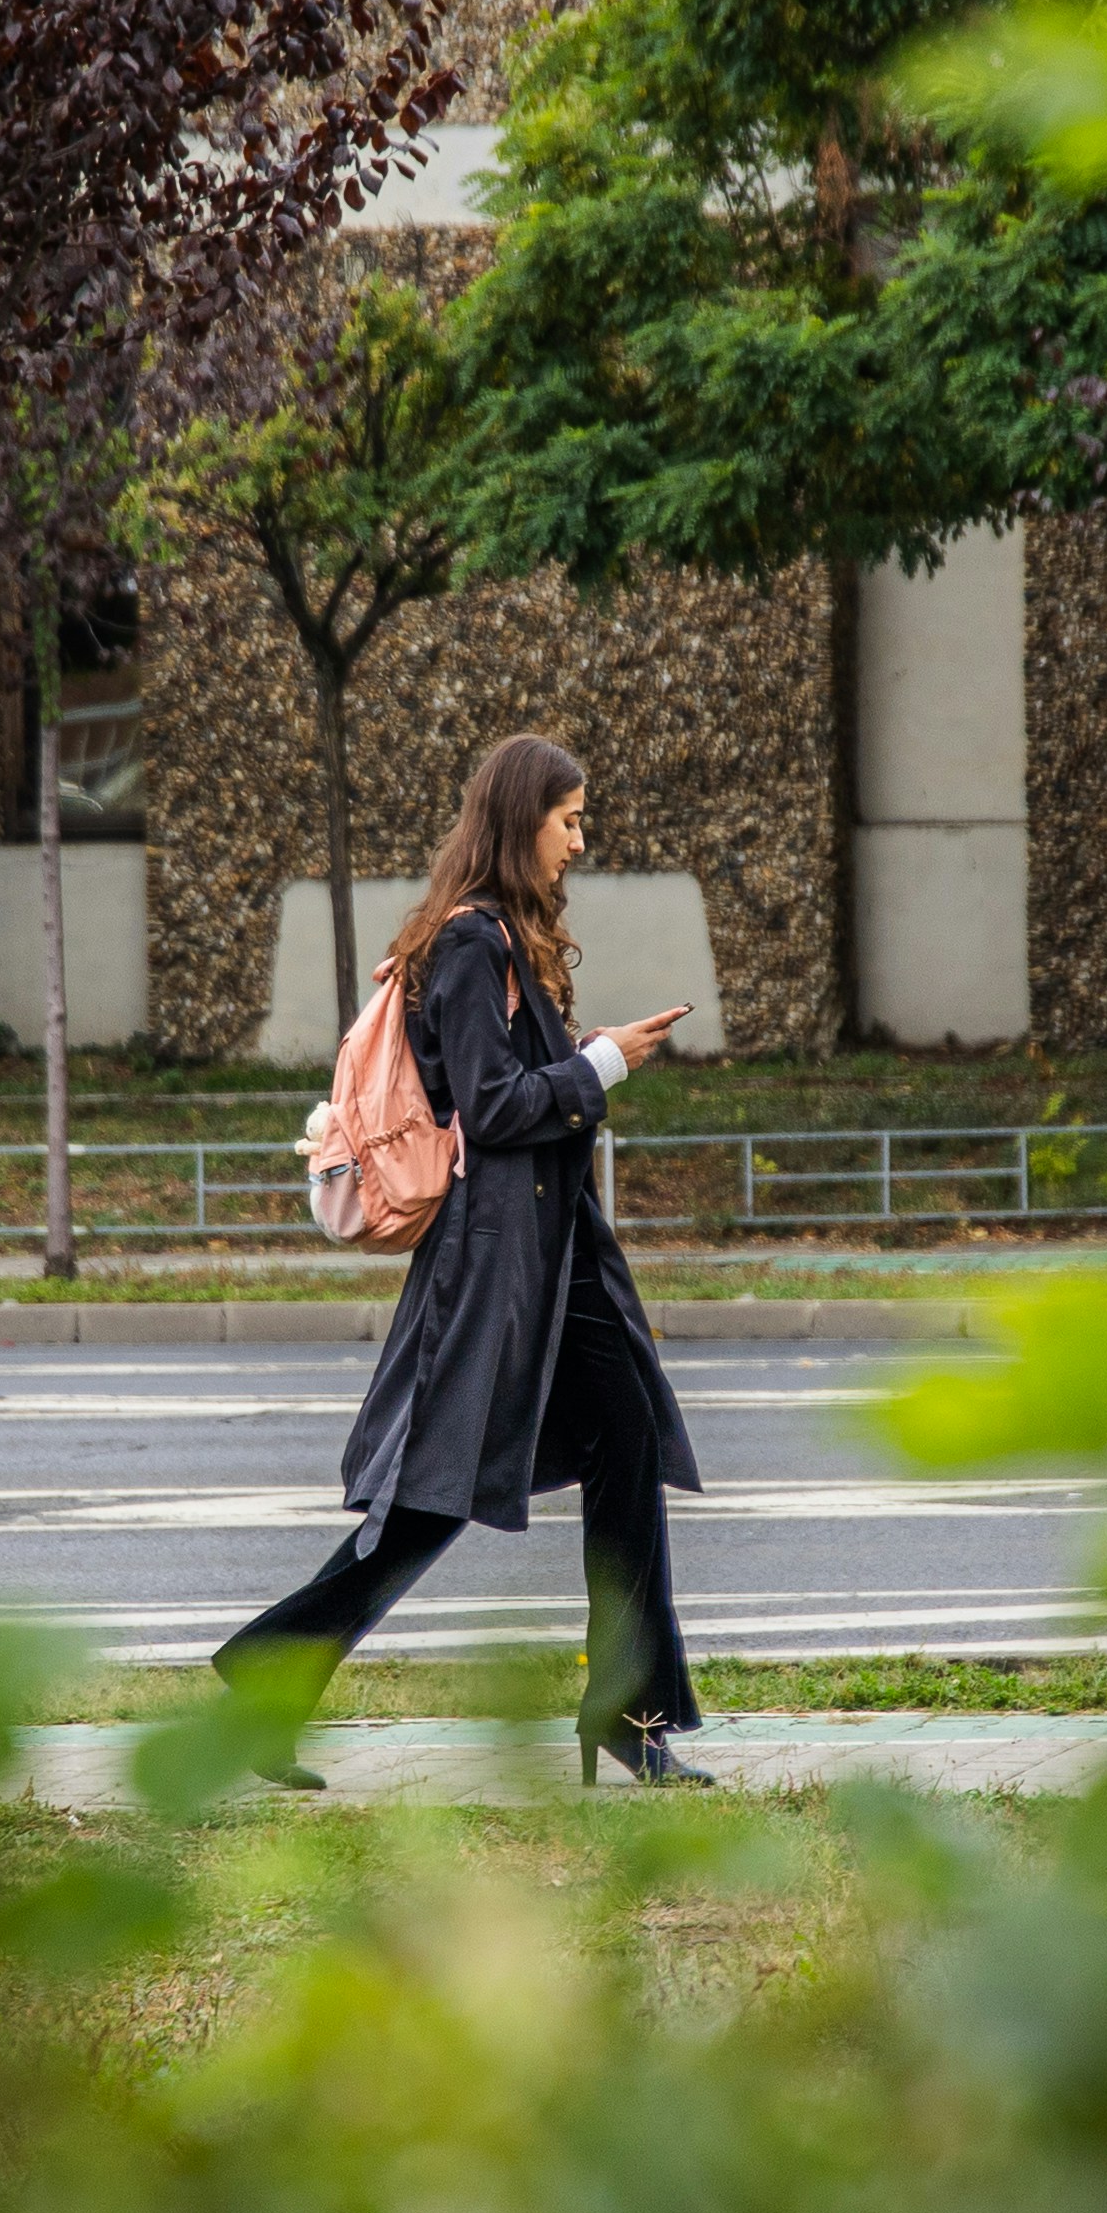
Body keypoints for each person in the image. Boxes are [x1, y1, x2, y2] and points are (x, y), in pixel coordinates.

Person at [215, 733, 712, 1790]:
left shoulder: (505, 943)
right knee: (429, 1501)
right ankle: (268, 1676)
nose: (580, 839)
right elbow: (489, 1110)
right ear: (517, 818)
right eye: (567, 818)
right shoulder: (471, 945)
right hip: (492, 1273)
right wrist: (605, 1062)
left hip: (558, 1257)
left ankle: (628, 1708)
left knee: (628, 1451)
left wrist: (588, 1062)